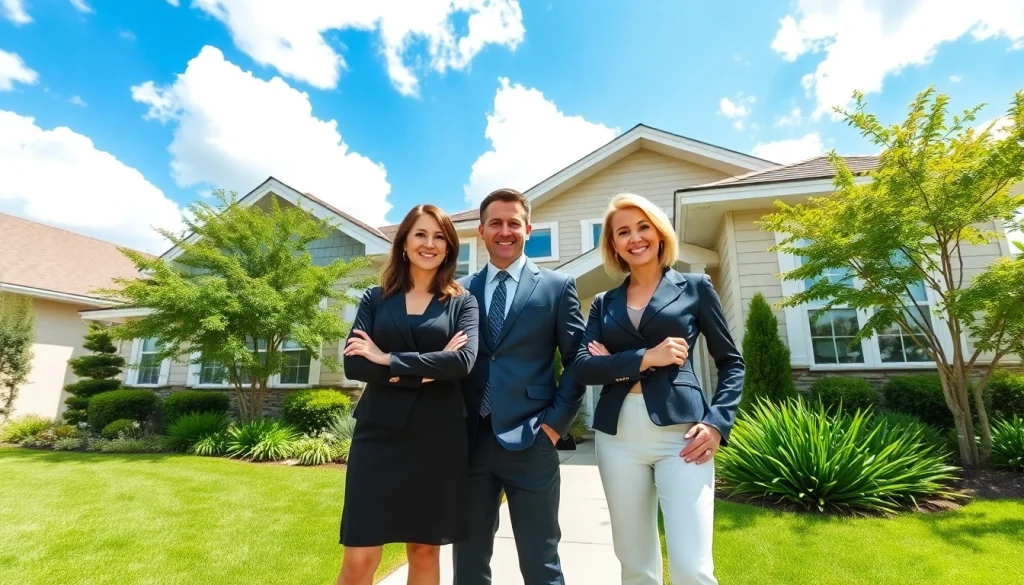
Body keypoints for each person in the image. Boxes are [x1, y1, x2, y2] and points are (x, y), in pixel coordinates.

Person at [574, 193, 744, 585]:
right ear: (614, 244)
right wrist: (645, 357)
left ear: (659, 232)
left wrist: (717, 423)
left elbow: (731, 362)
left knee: (691, 567)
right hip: (618, 437)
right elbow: (583, 367)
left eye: (643, 227)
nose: (635, 238)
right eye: (623, 232)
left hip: (681, 436)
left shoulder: (696, 287)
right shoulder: (603, 303)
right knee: (636, 566)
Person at [338, 204, 480, 585]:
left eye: (439, 237)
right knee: (360, 556)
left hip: (437, 438)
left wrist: (387, 358)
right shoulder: (374, 298)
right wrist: (430, 371)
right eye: (420, 234)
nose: (429, 244)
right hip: (377, 436)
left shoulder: (462, 302)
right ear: (404, 242)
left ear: (449, 248)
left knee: (423, 551)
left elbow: (461, 362)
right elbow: (355, 365)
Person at [453, 188, 586, 585]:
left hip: (533, 439)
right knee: (468, 561)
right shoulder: (460, 291)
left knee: (541, 561)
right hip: (469, 442)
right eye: (495, 223)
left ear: (528, 229)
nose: (505, 231)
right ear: (481, 231)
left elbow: (577, 361)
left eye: (514, 223)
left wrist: (554, 427)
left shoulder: (557, 287)